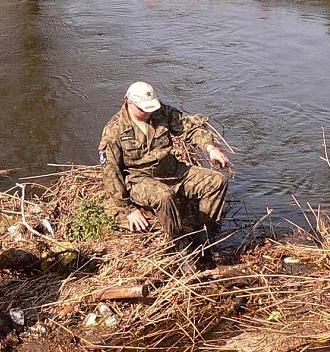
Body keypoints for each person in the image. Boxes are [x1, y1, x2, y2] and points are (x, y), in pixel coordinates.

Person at [98, 81, 231, 251]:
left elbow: (189, 128)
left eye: (150, 107)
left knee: (217, 181)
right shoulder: (114, 130)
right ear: (129, 102)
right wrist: (129, 209)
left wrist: (210, 148)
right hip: (139, 178)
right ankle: (180, 245)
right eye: (143, 109)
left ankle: (203, 236)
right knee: (164, 196)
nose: (148, 112)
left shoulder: (162, 112)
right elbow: (111, 173)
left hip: (172, 170)